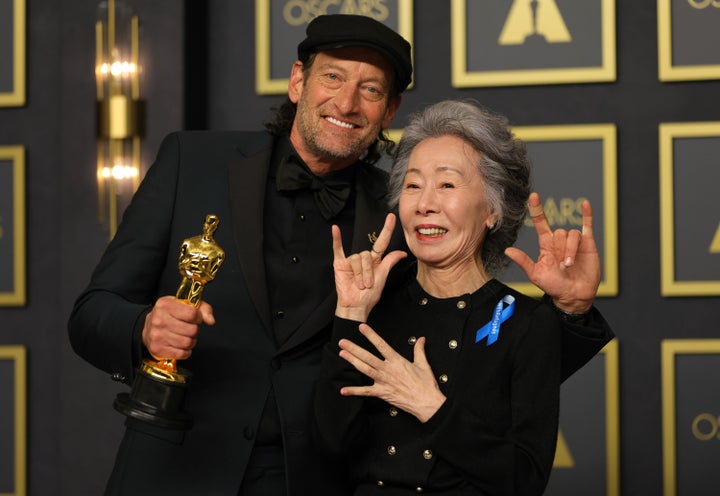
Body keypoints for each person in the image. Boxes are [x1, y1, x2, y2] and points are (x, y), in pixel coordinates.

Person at [67, 15, 611, 496]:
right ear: (298, 80)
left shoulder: (406, 211)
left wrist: (571, 314)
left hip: (315, 477)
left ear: (390, 110)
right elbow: (91, 312)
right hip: (177, 465)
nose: (347, 103)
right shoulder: (192, 161)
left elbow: (485, 362)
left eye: (370, 89)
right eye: (333, 76)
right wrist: (143, 328)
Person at [313, 99, 614, 495]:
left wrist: (431, 408)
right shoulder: (371, 303)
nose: (425, 204)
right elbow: (326, 448)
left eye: (447, 184)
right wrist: (350, 313)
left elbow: (524, 480)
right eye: (413, 186)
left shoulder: (526, 322)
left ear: (492, 209)